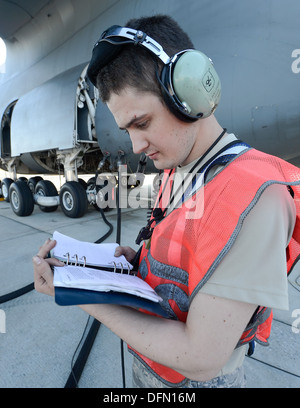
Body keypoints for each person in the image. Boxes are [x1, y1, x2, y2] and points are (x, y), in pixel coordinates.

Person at [33, 15, 300, 388]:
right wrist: (138, 261)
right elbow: (187, 255)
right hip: (153, 370)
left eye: (142, 123)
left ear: (188, 94)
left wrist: (77, 291)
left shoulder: (257, 200)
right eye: (127, 130)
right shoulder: (178, 168)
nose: (136, 147)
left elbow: (201, 358)